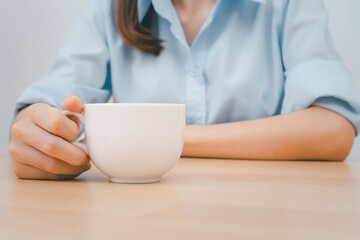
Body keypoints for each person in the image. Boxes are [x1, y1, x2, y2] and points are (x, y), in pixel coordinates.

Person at [9, 0, 360, 180]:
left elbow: (333, 129)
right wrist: (37, 130)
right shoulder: (109, 8)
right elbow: (53, 102)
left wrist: (164, 139)